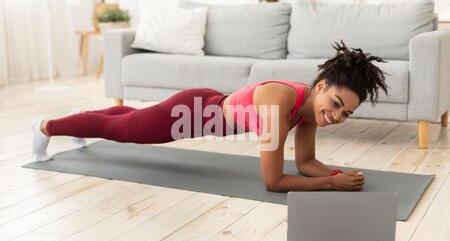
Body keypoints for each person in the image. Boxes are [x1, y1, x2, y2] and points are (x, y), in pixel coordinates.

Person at [31, 40, 388, 192]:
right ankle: (48, 126)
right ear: (322, 85)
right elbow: (273, 181)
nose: (337, 116)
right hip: (190, 115)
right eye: (337, 103)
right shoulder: (278, 106)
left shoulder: (308, 108)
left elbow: (307, 162)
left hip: (204, 107)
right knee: (123, 129)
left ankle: (81, 116)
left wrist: (342, 175)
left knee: (129, 118)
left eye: (347, 114)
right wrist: (329, 184)